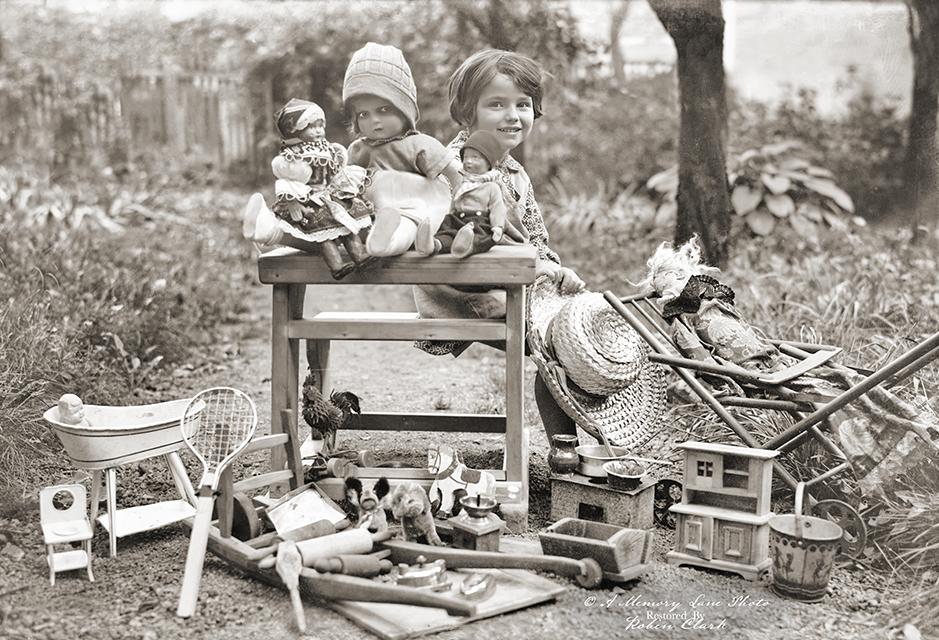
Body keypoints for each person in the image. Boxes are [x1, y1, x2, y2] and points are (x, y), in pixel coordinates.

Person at [414, 49, 586, 440]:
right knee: (558, 344)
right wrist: (530, 269)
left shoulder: (514, 172)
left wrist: (555, 269)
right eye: (496, 104)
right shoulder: (450, 166)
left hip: (504, 284)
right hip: (457, 286)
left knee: (576, 330)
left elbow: (535, 238)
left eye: (522, 104)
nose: (513, 115)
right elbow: (451, 236)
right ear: (467, 111)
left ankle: (571, 448)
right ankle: (566, 452)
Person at [342, 42, 463, 257]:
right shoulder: (358, 150)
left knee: (406, 226)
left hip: (412, 210)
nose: (374, 121)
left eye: (384, 110)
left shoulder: (418, 145)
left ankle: (386, 242)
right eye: (364, 114)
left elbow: (454, 173)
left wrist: (462, 205)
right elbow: (346, 185)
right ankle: (279, 232)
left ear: (403, 109)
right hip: (369, 213)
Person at [242, 98, 373, 279]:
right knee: (322, 233)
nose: (319, 130)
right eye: (311, 126)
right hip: (312, 199)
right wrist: (293, 202)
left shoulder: (330, 149)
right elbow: (287, 183)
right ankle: (336, 265)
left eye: (321, 125)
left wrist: (343, 187)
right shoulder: (293, 157)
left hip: (330, 195)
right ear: (295, 129)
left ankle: (360, 256)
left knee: (348, 226)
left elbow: (335, 173)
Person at [416, 130, 508, 258]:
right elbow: (453, 206)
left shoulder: (491, 187)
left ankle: (466, 246)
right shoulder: (461, 185)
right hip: (456, 220)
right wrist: (449, 217)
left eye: (475, 157)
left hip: (478, 222)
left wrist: (498, 226)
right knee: (447, 234)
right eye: (466, 157)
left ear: (489, 163)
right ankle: (432, 245)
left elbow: (498, 209)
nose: (468, 161)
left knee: (480, 238)